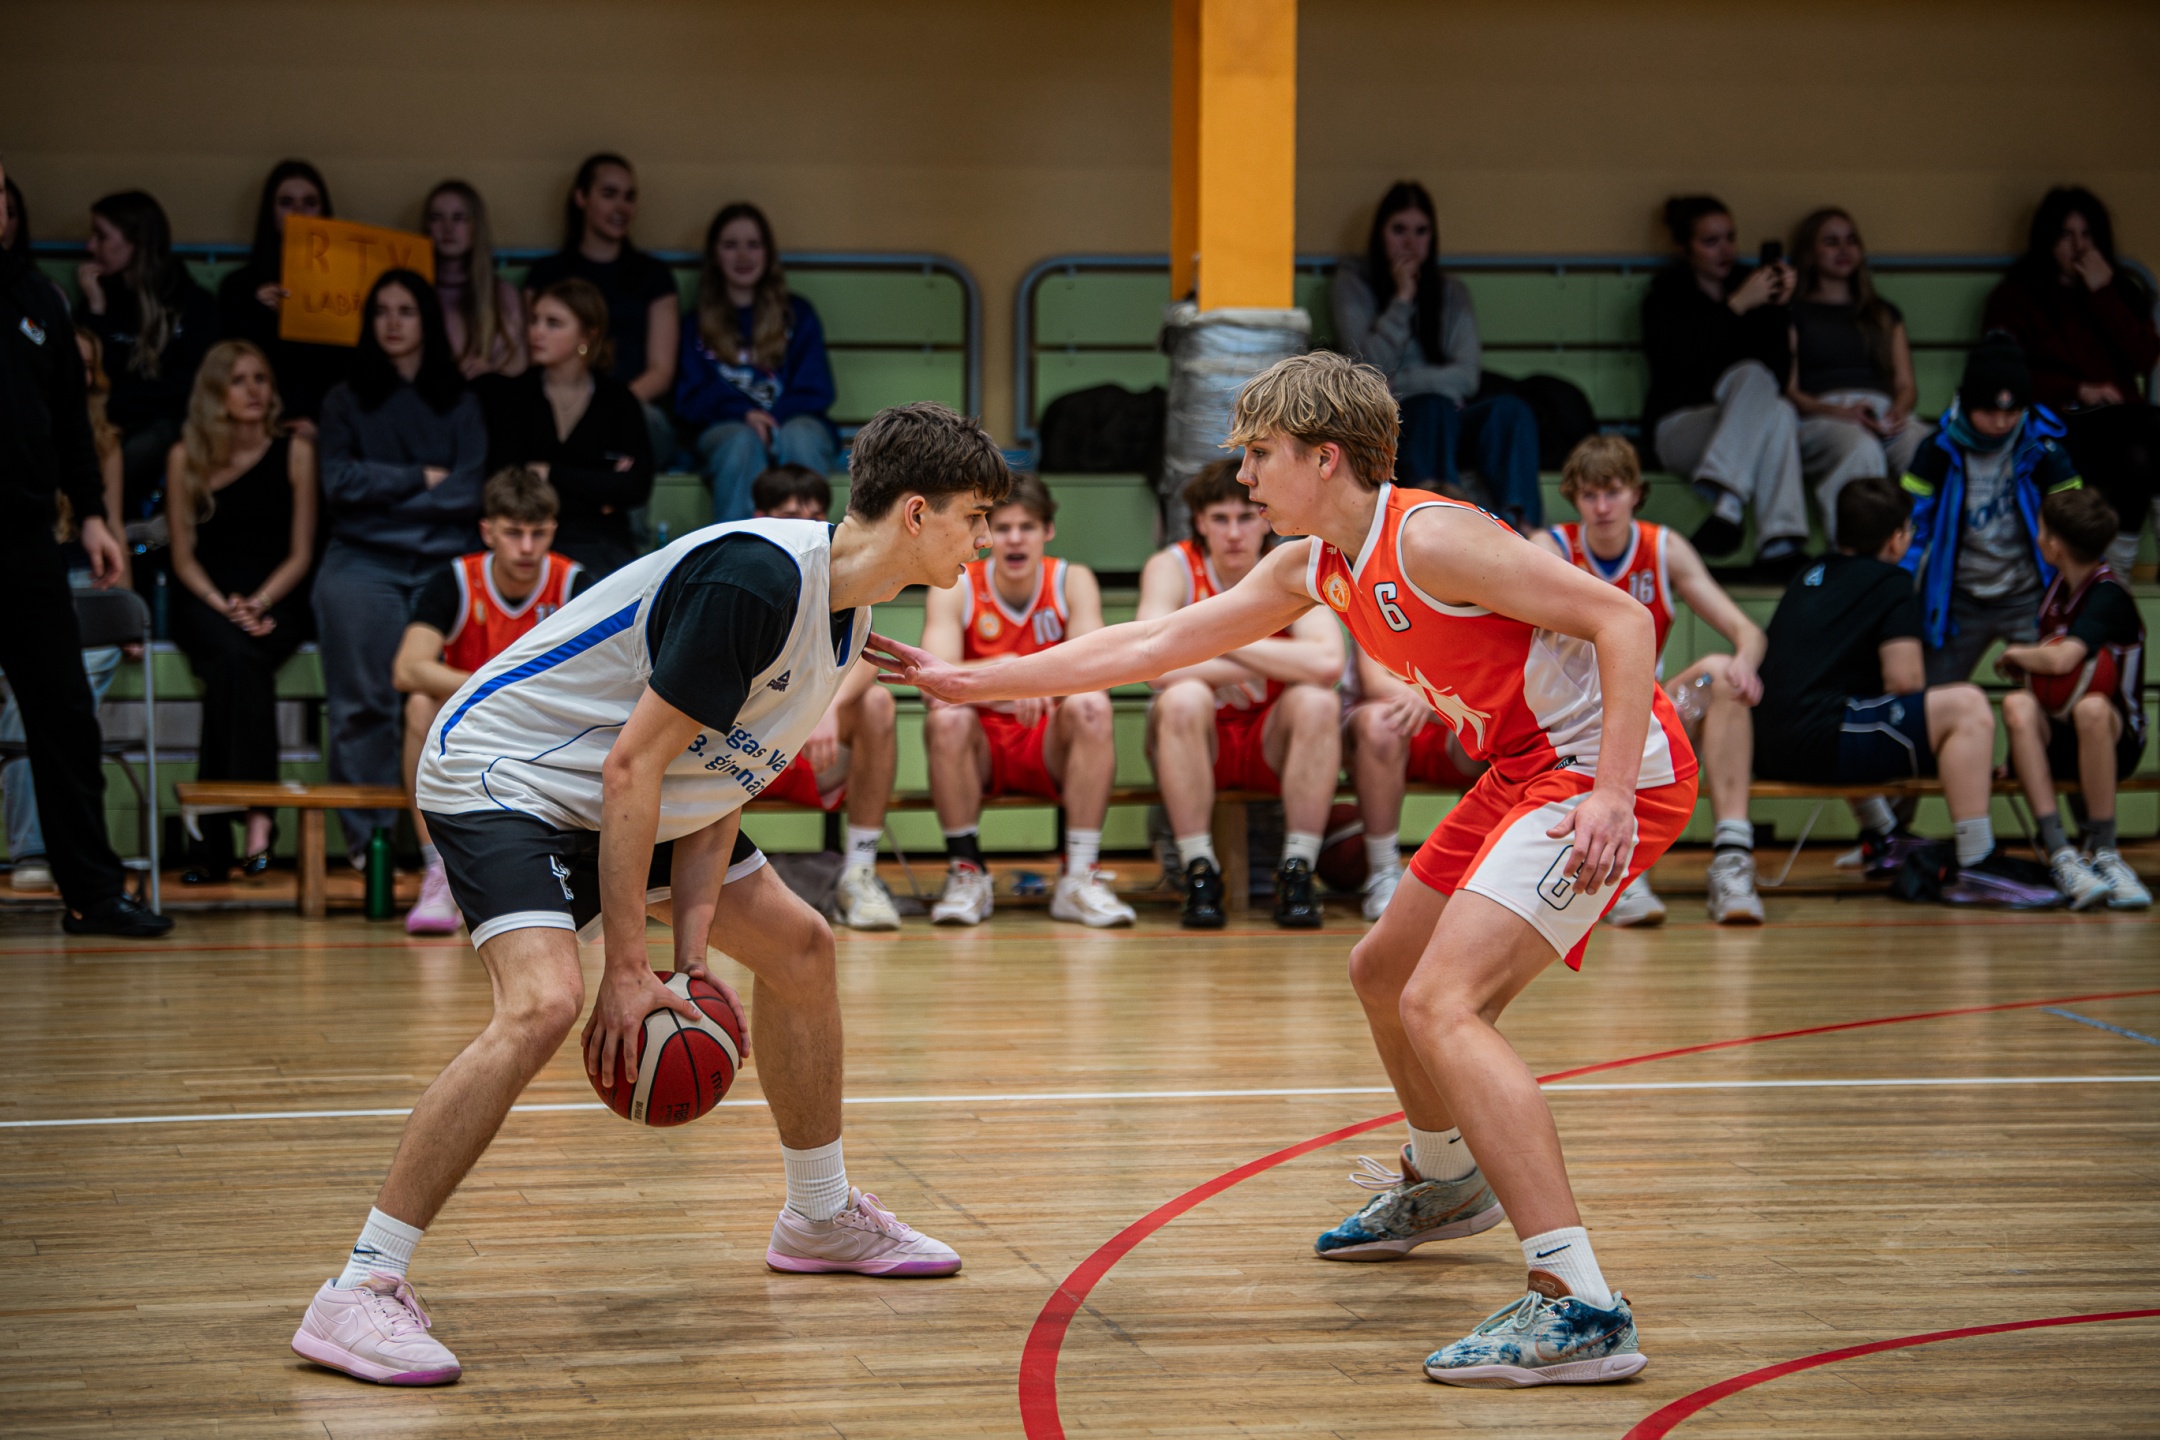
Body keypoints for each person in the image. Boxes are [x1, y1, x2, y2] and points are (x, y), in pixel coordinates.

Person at [872, 351, 1698, 1387]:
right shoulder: (1317, 565)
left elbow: (1625, 620)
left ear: (1326, 457)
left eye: (1260, 454)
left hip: (1605, 773)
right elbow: (1158, 641)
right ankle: (1447, 1180)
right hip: (1525, 768)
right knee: (1382, 971)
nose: (1245, 476)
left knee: (1443, 1004)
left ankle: (1578, 1301)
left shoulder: (1432, 538)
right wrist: (972, 682)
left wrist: (1612, 792)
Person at [288, 401, 997, 1386]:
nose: (984, 540)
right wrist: (626, 968)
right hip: (510, 772)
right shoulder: (756, 579)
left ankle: (819, 1214)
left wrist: (690, 962)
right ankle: (359, 1286)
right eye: (975, 517)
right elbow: (635, 768)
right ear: (917, 512)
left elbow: (714, 789)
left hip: (626, 792)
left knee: (800, 949)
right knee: (545, 1002)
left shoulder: (848, 624)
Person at [0, 159, 171, 936]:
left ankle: (93, 893)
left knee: (65, 714)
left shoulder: (39, 300)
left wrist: (96, 516)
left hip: (26, 538)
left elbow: (74, 422)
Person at [1753, 478, 2038, 903]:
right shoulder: (1892, 582)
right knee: (1967, 706)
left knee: (1854, 711)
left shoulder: (1808, 575)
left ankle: (1883, 836)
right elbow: (1905, 681)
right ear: (1897, 539)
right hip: (1818, 743)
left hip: (1765, 746)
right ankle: (1976, 860)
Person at [1534, 435, 1770, 925]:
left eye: (1613, 492)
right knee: (1612, 711)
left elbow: (1747, 631)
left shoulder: (1663, 548)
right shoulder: (1550, 548)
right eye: (1590, 495)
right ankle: (1619, 867)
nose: (1602, 507)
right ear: (1573, 497)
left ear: (1636, 493)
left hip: (1649, 712)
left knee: (1723, 676)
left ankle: (1732, 856)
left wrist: (1747, 661)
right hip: (1572, 720)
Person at [315, 270, 487, 860]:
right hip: (362, 562)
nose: (392, 323)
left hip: (445, 562)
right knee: (362, 706)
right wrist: (418, 478)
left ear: (427, 321)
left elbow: (467, 492)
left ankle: (444, 848)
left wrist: (383, 493)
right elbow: (338, 485)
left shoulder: (461, 401)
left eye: (406, 311)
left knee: (448, 706)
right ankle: (370, 846)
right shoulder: (343, 399)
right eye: (381, 311)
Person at [917, 473, 1134, 928]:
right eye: (1003, 527)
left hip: (1049, 740)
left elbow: (1097, 671)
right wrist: (1014, 676)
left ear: (1047, 531)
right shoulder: (958, 583)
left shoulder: (1072, 580)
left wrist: (1019, 681)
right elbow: (933, 680)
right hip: (982, 746)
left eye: (1027, 527)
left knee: (1092, 706)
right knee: (945, 718)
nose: (1015, 539)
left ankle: (1079, 876)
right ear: (985, 532)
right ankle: (967, 871)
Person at [1137, 460, 1344, 930]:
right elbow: (1153, 667)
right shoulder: (1171, 567)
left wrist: (1218, 642)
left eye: (1245, 517)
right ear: (1199, 522)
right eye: (1220, 518)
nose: (1233, 533)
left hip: (1268, 738)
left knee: (1318, 701)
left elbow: (1327, 662)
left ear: (1264, 518)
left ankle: (1298, 870)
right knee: (1182, 697)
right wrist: (1267, 658)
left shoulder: (1293, 565)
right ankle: (1199, 870)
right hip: (1198, 739)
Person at [392, 467, 584, 934]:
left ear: (553, 530)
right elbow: (407, 667)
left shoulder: (573, 583)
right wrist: (493, 687)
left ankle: (580, 868)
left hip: (545, 729)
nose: (527, 547)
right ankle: (438, 870)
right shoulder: (456, 580)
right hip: (471, 730)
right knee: (418, 705)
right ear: (487, 531)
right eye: (513, 532)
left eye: (539, 533)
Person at [165, 341, 317, 881]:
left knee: (237, 662)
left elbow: (301, 552)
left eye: (260, 379)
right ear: (215, 393)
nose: (254, 391)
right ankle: (257, 818)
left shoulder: (295, 452)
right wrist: (223, 605)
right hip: (206, 598)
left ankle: (213, 839)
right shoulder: (185, 456)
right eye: (238, 381)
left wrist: (259, 602)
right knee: (234, 656)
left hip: (276, 597)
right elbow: (182, 557)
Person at [1331, 181, 1541, 528]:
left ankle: (1523, 529)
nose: (1410, 243)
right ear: (1380, 233)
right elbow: (1367, 372)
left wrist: (1400, 381)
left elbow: (1467, 377)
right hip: (1391, 423)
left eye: (1421, 231)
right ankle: (1437, 522)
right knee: (1431, 406)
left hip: (1450, 417)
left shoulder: (1452, 292)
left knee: (1510, 412)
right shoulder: (1353, 284)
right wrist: (1402, 299)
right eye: (1399, 229)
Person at [749, 464, 903, 931]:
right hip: (742, 752)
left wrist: (826, 712)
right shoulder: (746, 574)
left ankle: (859, 873)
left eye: (816, 516)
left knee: (877, 704)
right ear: (760, 518)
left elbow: (868, 657)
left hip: (807, 751)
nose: (807, 526)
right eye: (791, 515)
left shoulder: (842, 578)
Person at [5, 327, 128, 895]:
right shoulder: (17, 422)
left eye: (86, 364)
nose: (75, 373)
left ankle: (55, 856)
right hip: (24, 567)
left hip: (85, 574)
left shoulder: (103, 440)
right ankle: (34, 847)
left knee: (65, 692)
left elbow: (112, 526)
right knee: (25, 693)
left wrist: (123, 600)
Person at [1984, 187, 2160, 574]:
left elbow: (2145, 356)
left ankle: (2117, 571)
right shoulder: (2017, 297)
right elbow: (2003, 374)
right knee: (2150, 432)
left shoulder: (2119, 292)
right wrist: (2079, 389)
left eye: (2087, 235)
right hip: (2055, 419)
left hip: (2123, 423)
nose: (2078, 247)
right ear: (2048, 240)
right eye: (2066, 235)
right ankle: (2116, 570)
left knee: (2142, 451)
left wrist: (2103, 293)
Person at [1902, 332, 2085, 685]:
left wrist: (2083, 587)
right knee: (1932, 696)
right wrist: (1899, 586)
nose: (2001, 423)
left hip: (2030, 597)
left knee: (2054, 696)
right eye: (1989, 412)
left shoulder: (2044, 449)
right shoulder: (1936, 450)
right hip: (1959, 602)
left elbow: (2078, 524)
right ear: (1966, 403)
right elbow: (1911, 528)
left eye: (2012, 412)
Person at [1996, 487, 2150, 910]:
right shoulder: (2055, 594)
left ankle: (2104, 851)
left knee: (2092, 707)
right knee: (2017, 704)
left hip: (2117, 741)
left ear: (2054, 545)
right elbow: (2045, 683)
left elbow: (2063, 659)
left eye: (2041, 530)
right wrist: (2014, 756)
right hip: (2061, 738)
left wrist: (2015, 654)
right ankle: (2061, 855)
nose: (2038, 537)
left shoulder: (2109, 595)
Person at [1642, 195, 1808, 578]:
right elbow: (1676, 364)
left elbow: (1778, 377)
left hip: (1741, 432)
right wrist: (1735, 306)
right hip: (1681, 427)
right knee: (1754, 380)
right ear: (1685, 249)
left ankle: (1734, 512)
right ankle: (1776, 541)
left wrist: (1778, 309)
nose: (1725, 250)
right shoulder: (1664, 297)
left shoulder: (1755, 289)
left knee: (1774, 402)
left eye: (1730, 238)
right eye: (1710, 241)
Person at [478, 278, 653, 576]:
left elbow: (636, 486)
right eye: (534, 320)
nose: (537, 332)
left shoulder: (618, 400)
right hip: (526, 538)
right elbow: (503, 480)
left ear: (588, 334)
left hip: (599, 539)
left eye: (553, 323)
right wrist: (599, 490)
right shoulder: (513, 395)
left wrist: (548, 473)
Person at [676, 203, 839, 522]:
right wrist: (743, 414)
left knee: (800, 436)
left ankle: (813, 545)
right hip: (727, 429)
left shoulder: (797, 314)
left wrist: (771, 420)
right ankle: (741, 549)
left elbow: (816, 390)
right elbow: (688, 400)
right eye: (730, 245)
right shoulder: (695, 324)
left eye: (753, 244)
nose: (743, 255)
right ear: (714, 254)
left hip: (791, 422)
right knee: (741, 441)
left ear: (768, 253)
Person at [1785, 207, 1933, 543]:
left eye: (1851, 240)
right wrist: (1843, 412)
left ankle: (1926, 549)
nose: (1843, 249)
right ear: (1810, 253)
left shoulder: (1883, 312)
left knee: (1924, 445)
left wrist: (1896, 412)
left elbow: (1906, 386)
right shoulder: (1795, 313)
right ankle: (1858, 554)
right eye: (1831, 242)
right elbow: (1791, 391)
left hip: (1882, 411)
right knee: (1860, 447)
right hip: (1822, 415)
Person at [522, 154, 679, 466]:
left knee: (640, 424)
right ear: (581, 197)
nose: (621, 207)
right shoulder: (547, 273)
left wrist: (606, 408)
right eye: (609, 194)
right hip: (559, 399)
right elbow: (531, 352)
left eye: (629, 197)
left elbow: (661, 372)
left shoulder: (653, 275)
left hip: (635, 406)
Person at [75, 189, 221, 513]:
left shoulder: (193, 304)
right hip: (108, 422)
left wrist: (121, 399)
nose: (90, 247)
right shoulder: (101, 298)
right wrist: (96, 311)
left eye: (102, 236)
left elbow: (189, 387)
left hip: (164, 425)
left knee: (152, 439)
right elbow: (89, 376)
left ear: (136, 242)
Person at [1339, 638, 1486, 920]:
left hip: (1451, 721)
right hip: (1384, 717)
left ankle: (1481, 872)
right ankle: (1383, 872)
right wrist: (1429, 698)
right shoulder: (1375, 608)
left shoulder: (1477, 611)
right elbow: (1374, 682)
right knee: (1382, 726)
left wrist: (1433, 702)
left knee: (1499, 731)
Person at [214, 160, 351, 428]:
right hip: (256, 422)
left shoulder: (346, 283)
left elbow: (349, 369)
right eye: (286, 202)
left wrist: (318, 423)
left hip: (325, 420)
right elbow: (225, 366)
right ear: (271, 211)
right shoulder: (238, 286)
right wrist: (258, 313)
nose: (298, 212)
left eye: (310, 203)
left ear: (324, 211)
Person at [423, 180, 526, 379]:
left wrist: (492, 373)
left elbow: (518, 364)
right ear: (427, 226)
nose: (447, 228)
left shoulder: (502, 294)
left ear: (476, 226)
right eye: (436, 218)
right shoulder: (411, 292)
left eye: (459, 218)